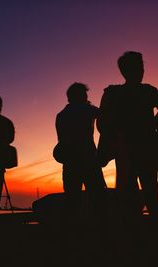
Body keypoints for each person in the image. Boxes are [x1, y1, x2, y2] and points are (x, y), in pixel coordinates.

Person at [97, 51, 158, 224]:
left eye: (142, 67)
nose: (142, 71)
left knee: (136, 193)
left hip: (130, 150)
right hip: (139, 149)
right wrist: (155, 123)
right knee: (148, 192)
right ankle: (149, 232)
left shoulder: (113, 93)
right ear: (129, 70)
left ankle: (137, 232)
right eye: (140, 67)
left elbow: (102, 123)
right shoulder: (147, 91)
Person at [55, 82, 108, 230]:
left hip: (69, 161)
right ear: (81, 96)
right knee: (97, 196)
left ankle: (71, 234)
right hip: (88, 159)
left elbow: (61, 139)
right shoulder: (87, 109)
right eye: (85, 95)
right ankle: (103, 231)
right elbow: (106, 115)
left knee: (72, 199)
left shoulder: (61, 115)